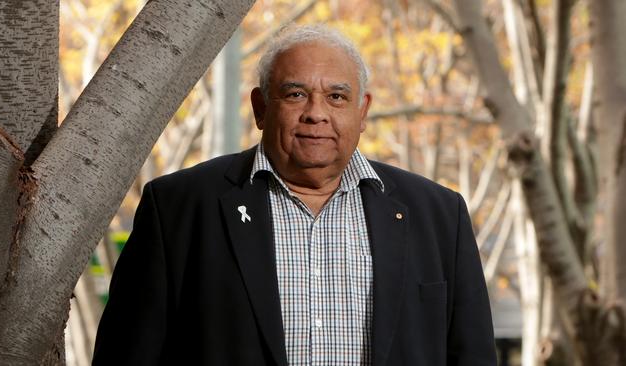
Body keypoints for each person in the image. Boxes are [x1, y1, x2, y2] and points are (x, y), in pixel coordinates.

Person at [93, 24, 496, 366]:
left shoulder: (440, 215)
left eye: (337, 97)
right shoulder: (178, 208)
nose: (316, 113)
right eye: (296, 94)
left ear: (362, 111)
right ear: (261, 108)